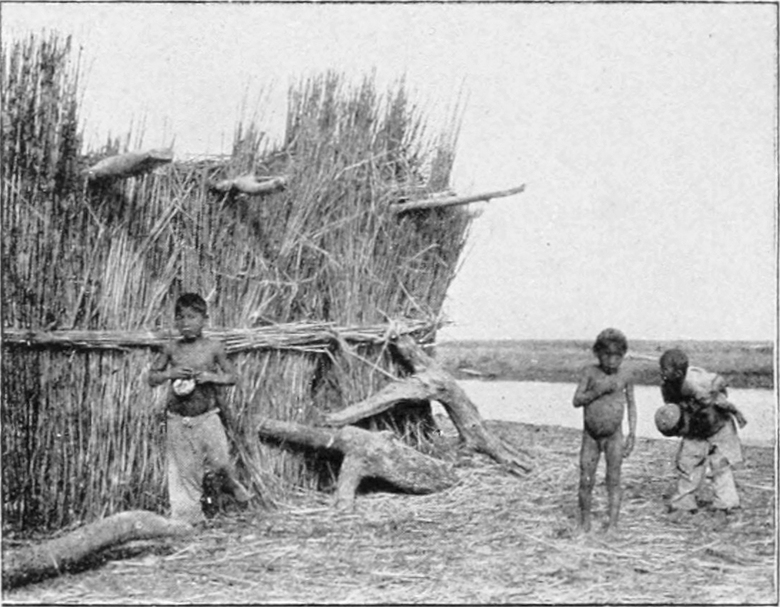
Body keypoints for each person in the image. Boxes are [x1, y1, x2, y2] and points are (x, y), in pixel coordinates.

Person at [148, 293, 251, 524]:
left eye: (192, 317)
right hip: (178, 419)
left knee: (221, 462)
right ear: (176, 321)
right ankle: (190, 520)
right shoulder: (171, 349)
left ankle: (231, 486)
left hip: (207, 417)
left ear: (205, 319)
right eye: (181, 317)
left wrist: (211, 377)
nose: (186, 323)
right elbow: (152, 378)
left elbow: (233, 377)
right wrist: (170, 373)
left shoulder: (213, 348)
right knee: (185, 472)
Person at [658, 348, 747, 516]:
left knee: (720, 465)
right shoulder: (667, 387)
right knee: (688, 464)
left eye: (665, 369)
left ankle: (726, 504)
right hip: (695, 429)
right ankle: (684, 502)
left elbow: (719, 386)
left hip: (719, 427)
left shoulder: (695, 383)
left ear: (678, 373)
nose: (661, 372)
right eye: (661, 368)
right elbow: (673, 409)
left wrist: (728, 407)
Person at [572, 328, 637, 532]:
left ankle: (612, 525)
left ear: (623, 355)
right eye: (607, 355)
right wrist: (597, 391)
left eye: (617, 356)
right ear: (597, 353)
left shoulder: (625, 375)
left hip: (614, 436)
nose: (611, 361)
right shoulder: (590, 373)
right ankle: (584, 523)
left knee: (613, 479)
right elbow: (577, 400)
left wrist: (632, 433)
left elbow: (631, 404)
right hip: (590, 436)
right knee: (586, 479)